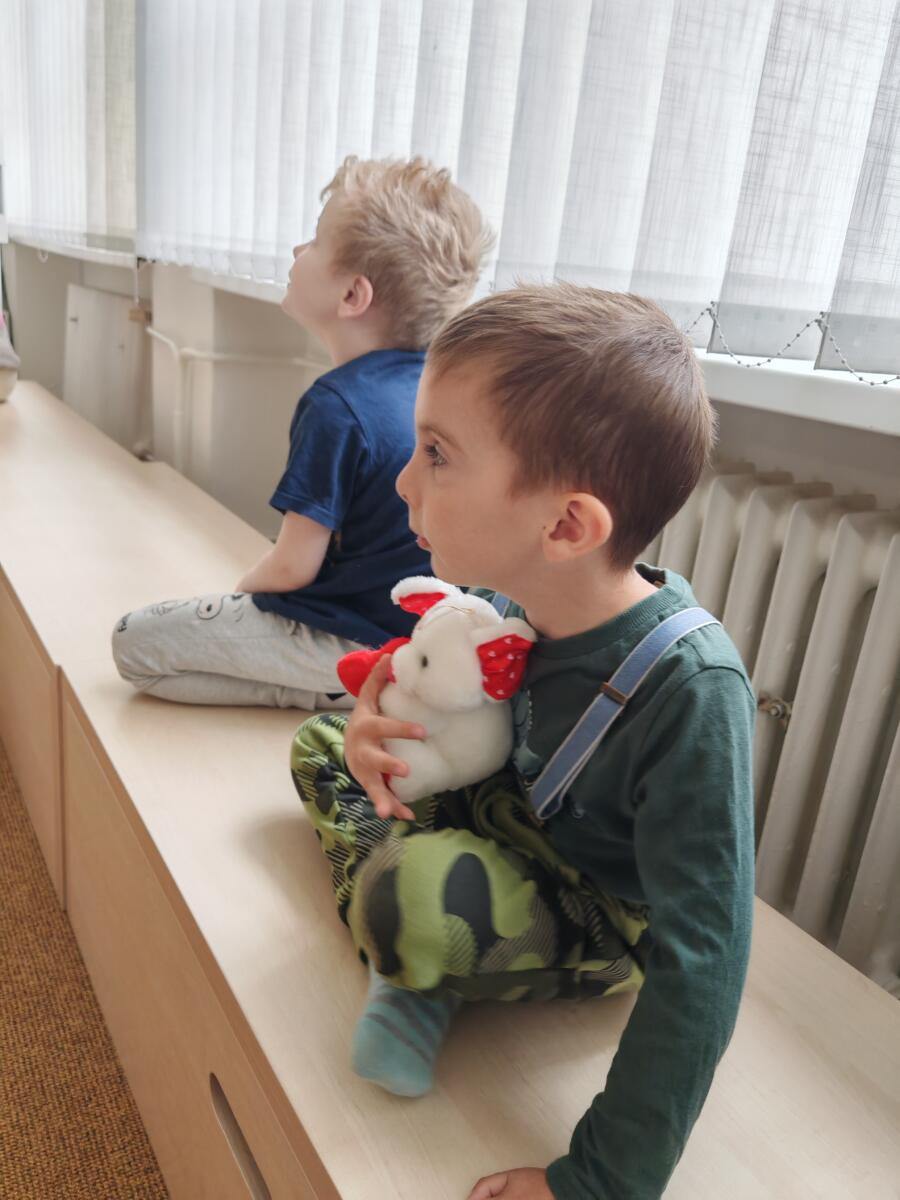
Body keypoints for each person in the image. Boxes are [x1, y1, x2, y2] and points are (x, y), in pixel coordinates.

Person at [291, 284, 755, 1199]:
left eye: (436, 455)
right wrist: (373, 728)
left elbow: (705, 960)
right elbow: (430, 692)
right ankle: (420, 940)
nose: (403, 482)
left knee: (405, 898)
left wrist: (598, 1181)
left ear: (567, 526)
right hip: (498, 816)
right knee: (320, 741)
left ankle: (413, 959)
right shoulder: (507, 600)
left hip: (592, 906)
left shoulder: (691, 692)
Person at [111, 156, 492, 708]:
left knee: (133, 644)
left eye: (314, 241)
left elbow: (291, 567)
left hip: (348, 634)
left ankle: (352, 687)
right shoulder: (436, 384)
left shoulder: (336, 405)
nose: (296, 251)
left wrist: (241, 595)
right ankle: (375, 686)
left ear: (353, 296)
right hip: (432, 644)